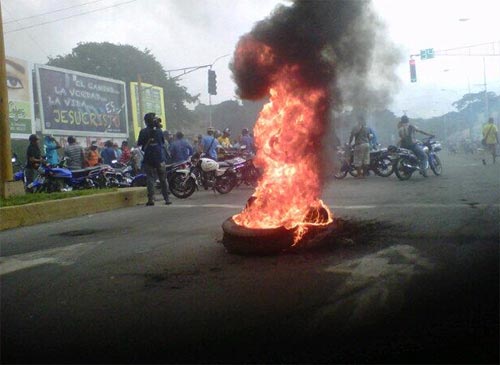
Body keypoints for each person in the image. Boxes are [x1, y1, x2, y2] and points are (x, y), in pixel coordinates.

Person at [137, 112, 171, 206]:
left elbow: (139, 143)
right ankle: (167, 199)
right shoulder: (159, 131)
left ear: (146, 122)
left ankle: (151, 199)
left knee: (150, 179)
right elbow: (162, 143)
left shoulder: (143, 132)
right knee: (163, 179)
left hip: (148, 158)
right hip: (159, 158)